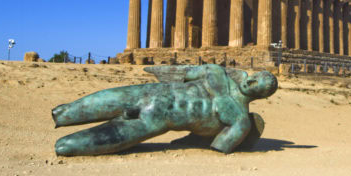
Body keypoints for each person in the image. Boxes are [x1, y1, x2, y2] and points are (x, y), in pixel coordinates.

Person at [51, 64, 278, 156]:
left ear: (262, 96)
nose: (251, 83)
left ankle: (69, 145)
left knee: (65, 147)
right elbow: (184, 73)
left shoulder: (239, 120)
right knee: (62, 113)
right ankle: (65, 116)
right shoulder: (216, 72)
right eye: (255, 77)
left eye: (259, 87)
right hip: (148, 92)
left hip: (156, 120)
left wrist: (199, 136)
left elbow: (219, 147)